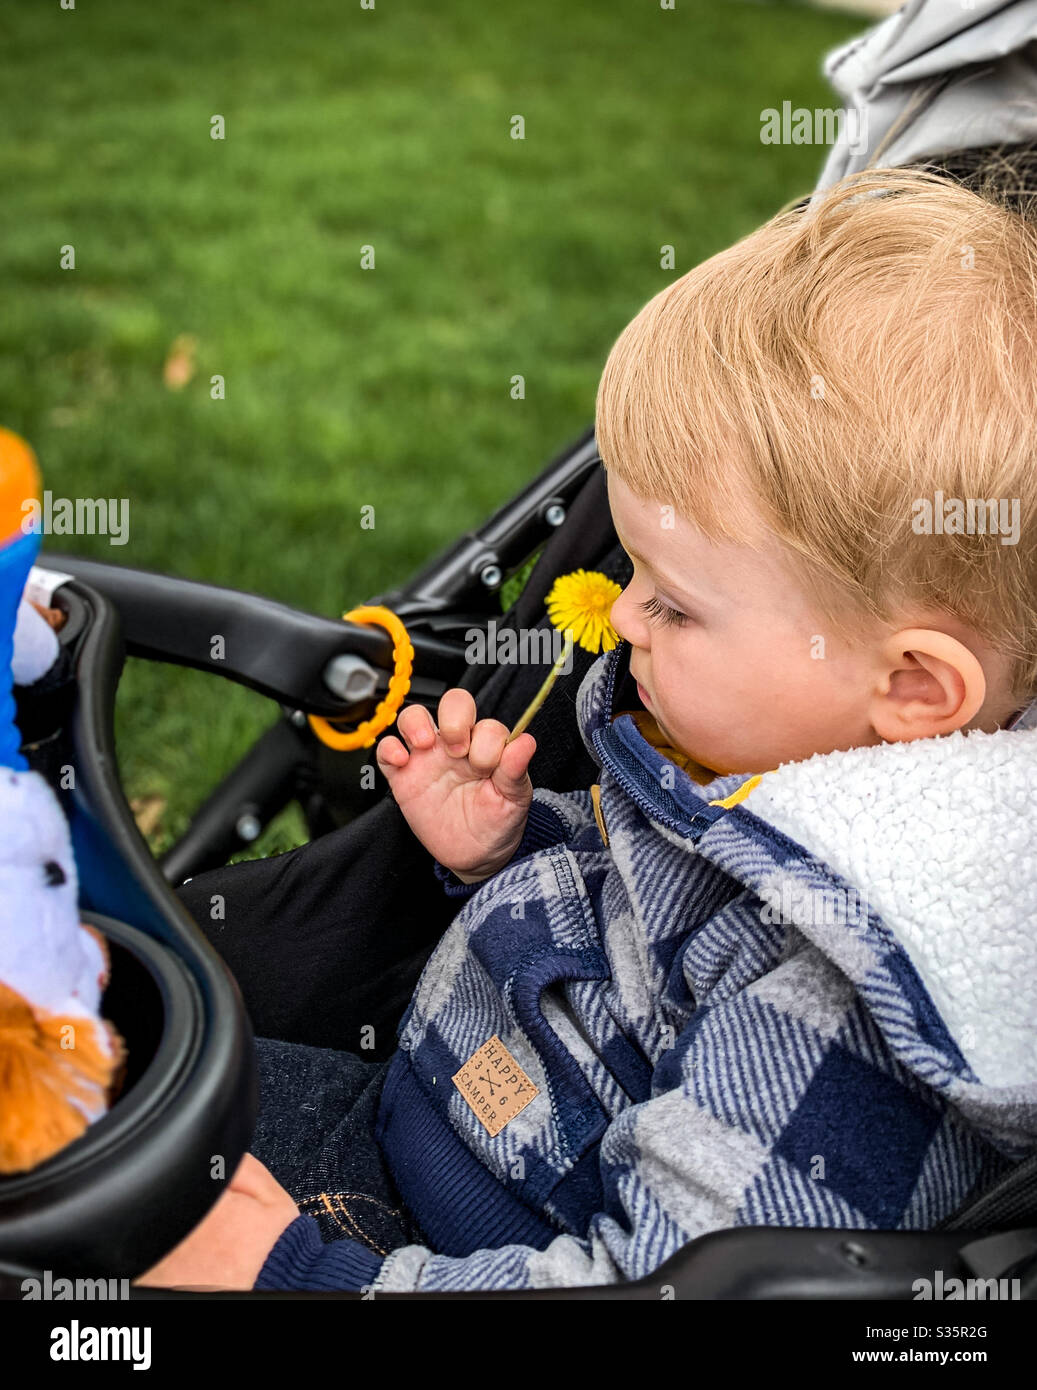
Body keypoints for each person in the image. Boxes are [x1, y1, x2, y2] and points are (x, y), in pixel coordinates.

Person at [139, 163, 1037, 1292]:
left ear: (911, 687)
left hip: (409, 1251)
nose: (618, 613)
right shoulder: (780, 749)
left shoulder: (850, 1000)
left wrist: (298, 1276)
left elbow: (646, 1283)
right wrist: (502, 859)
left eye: (670, 599)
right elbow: (641, 939)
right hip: (417, 1124)